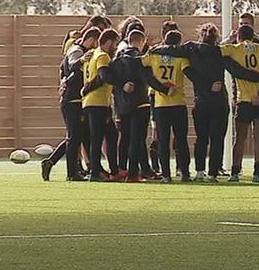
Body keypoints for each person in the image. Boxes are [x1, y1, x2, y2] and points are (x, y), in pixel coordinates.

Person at [148, 23, 259, 182]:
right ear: (216, 37)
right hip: (219, 102)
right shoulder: (219, 51)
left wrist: (155, 49)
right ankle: (213, 173)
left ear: (200, 34)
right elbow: (236, 70)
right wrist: (258, 77)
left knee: (201, 139)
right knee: (217, 139)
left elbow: (172, 50)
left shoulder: (191, 49)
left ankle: (200, 171)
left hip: (201, 102)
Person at [220, 25, 259, 183]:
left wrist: (229, 40)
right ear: (253, 36)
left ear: (238, 36)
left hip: (244, 98)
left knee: (240, 138)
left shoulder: (235, 49)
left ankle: (235, 172)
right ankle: (257, 173)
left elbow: (217, 50)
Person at [41, 27, 99, 181]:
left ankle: (53, 162)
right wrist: (82, 60)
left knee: (79, 135)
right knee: (74, 137)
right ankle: (71, 173)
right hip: (72, 100)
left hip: (78, 100)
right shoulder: (77, 50)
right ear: (92, 39)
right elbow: (72, 64)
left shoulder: (81, 51)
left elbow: (63, 69)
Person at [141, 30, 192, 183]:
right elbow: (189, 72)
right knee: (181, 140)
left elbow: (141, 65)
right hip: (178, 103)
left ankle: (166, 175)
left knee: (163, 140)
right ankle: (185, 173)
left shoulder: (154, 56)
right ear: (178, 43)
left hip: (160, 105)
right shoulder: (181, 58)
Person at [111, 29, 162, 182]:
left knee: (124, 139)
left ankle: (122, 169)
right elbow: (149, 78)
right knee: (137, 139)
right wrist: (165, 89)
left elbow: (112, 80)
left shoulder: (116, 59)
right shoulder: (140, 59)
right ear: (140, 42)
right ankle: (133, 173)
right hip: (140, 103)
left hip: (122, 104)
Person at [82, 29, 127, 182]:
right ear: (108, 42)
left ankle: (114, 170)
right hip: (97, 103)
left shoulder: (93, 53)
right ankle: (95, 172)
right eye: (115, 43)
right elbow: (103, 76)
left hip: (95, 102)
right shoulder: (102, 55)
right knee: (97, 138)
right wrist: (121, 83)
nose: (115, 47)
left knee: (111, 134)